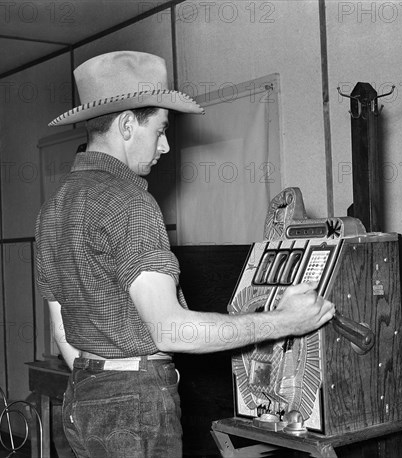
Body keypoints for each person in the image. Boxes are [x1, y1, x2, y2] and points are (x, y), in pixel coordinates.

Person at [35, 50, 335, 458]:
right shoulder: (130, 203)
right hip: (134, 408)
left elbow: (61, 332)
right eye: (159, 129)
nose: (165, 144)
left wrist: (102, 387)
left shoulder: (53, 209)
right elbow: (171, 331)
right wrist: (285, 320)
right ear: (126, 125)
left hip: (83, 400)